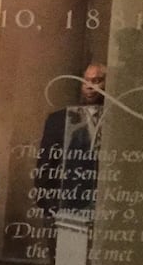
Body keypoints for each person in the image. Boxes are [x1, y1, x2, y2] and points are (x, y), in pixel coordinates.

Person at [35, 63, 107, 219]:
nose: (89, 86)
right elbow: (45, 166)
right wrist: (50, 206)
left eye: (97, 81)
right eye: (86, 80)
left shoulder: (116, 122)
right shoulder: (59, 120)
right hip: (67, 208)